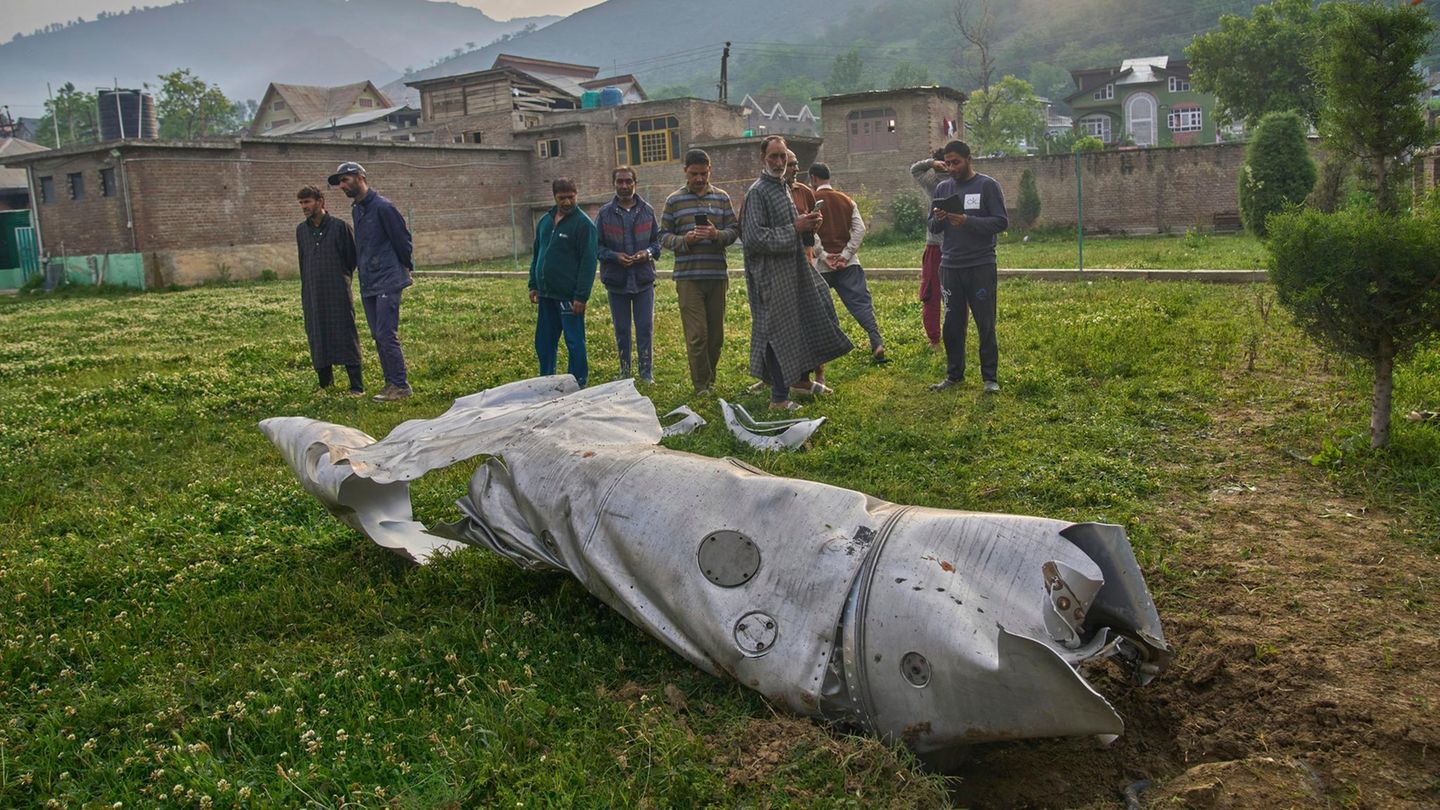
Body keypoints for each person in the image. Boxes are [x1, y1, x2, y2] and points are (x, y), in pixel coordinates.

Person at [740, 135, 853, 410]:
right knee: (778, 332)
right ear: (762, 159)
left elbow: (795, 229)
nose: (779, 162)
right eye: (774, 157)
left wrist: (809, 226)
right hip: (770, 276)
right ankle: (779, 398)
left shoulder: (782, 188)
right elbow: (754, 238)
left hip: (794, 270)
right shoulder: (758, 192)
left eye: (783, 157)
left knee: (811, 310)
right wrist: (795, 228)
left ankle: (799, 381)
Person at [927, 141, 1008, 393]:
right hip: (950, 266)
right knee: (952, 323)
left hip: (980, 264)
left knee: (985, 322)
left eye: (956, 162)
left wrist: (967, 221)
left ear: (968, 159)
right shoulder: (943, 188)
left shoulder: (986, 185)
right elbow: (932, 227)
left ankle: (989, 378)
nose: (951, 168)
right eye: (948, 163)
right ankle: (954, 375)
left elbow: (1000, 222)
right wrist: (939, 219)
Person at [329, 161, 413, 402]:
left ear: (360, 177)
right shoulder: (358, 209)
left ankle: (400, 385)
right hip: (369, 281)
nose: (342, 186)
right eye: (340, 183)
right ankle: (390, 383)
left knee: (387, 333)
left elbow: (402, 240)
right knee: (377, 334)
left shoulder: (383, 207)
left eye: (345, 180)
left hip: (388, 278)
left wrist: (405, 268)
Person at [659, 149, 739, 395]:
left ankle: (710, 380)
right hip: (688, 278)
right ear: (685, 171)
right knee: (697, 336)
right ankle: (701, 386)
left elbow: (734, 231)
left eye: (703, 173)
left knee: (716, 337)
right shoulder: (674, 200)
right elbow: (662, 236)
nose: (699, 179)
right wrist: (686, 240)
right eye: (694, 174)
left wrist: (716, 235)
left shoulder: (722, 198)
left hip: (716, 275)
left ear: (710, 170)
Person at [809, 162, 888, 365]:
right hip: (848, 264)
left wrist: (824, 254)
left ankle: (823, 351)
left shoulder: (812, 200)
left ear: (813, 179)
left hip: (822, 265)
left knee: (818, 307)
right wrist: (845, 254)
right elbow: (859, 229)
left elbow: (811, 232)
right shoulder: (846, 200)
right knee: (861, 303)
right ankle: (876, 342)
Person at [529, 177, 597, 387]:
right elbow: (537, 253)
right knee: (544, 342)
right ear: (554, 197)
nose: (567, 202)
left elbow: (589, 262)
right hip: (546, 294)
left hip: (569, 297)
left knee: (574, 342)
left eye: (571, 197)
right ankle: (546, 382)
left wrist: (581, 296)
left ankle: (577, 383)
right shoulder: (545, 221)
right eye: (562, 198)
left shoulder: (584, 224)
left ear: (577, 194)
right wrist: (533, 283)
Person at [295, 185, 363, 396]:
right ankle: (326, 385)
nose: (304, 207)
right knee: (317, 333)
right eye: (301, 203)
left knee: (345, 333)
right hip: (313, 294)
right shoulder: (301, 230)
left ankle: (356, 386)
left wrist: (338, 278)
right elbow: (303, 261)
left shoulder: (340, 227)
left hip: (338, 292)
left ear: (320, 202)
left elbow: (352, 259)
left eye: (307, 202)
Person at [595, 166, 660, 383]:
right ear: (614, 184)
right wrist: (614, 256)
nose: (624, 186)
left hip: (643, 280)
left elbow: (657, 243)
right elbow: (596, 247)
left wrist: (647, 253)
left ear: (635, 183)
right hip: (617, 281)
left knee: (645, 328)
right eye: (620, 182)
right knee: (622, 329)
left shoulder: (648, 211)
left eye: (628, 182)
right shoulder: (604, 214)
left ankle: (646, 373)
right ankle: (625, 372)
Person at [911, 149, 947, 350]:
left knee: (931, 294)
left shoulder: (933, 182)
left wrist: (931, 163)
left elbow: (915, 169)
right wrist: (934, 163)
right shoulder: (942, 183)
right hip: (943, 245)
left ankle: (935, 340)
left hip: (938, 245)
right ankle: (948, 335)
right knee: (949, 295)